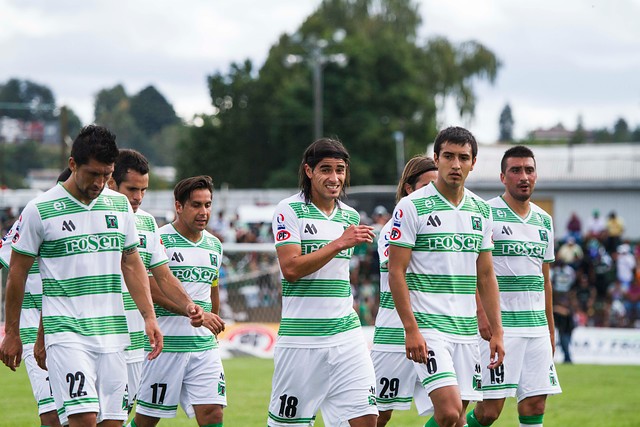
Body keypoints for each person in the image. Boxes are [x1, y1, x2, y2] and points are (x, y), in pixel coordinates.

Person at [0, 125, 163, 427]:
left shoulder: (119, 205)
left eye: (107, 175)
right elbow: (17, 274)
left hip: (113, 334)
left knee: (112, 423)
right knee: (83, 419)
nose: (100, 183)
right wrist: (12, 332)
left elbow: (131, 261)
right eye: (93, 174)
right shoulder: (41, 210)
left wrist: (149, 317)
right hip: (66, 333)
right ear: (73, 164)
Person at [387, 126, 505, 427]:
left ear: (473, 162)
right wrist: (411, 329)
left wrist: (498, 331)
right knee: (451, 411)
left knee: (453, 418)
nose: (456, 164)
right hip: (429, 328)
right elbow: (396, 271)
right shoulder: (411, 206)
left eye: (463, 157)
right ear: (436, 158)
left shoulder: (481, 210)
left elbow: (486, 275)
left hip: (466, 331)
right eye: (448, 156)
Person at [266, 138, 378, 427]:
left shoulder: (350, 216)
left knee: (366, 419)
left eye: (340, 170)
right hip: (302, 339)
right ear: (308, 171)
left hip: (346, 335)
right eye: (325, 169)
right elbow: (290, 268)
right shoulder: (289, 210)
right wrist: (339, 243)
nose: (334, 177)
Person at [467, 145, 562, 427]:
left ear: (536, 176)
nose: (524, 176)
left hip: (536, 329)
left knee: (535, 403)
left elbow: (544, 280)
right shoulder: (486, 213)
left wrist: (550, 329)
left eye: (529, 170)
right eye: (516, 170)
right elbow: (472, 269)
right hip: (501, 327)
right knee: (489, 411)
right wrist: (482, 315)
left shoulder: (545, 221)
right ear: (503, 177)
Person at [107, 149, 206, 415]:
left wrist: (189, 306)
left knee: (118, 417)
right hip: (94, 334)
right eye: (132, 189)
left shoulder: (147, 223)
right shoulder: (88, 216)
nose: (138, 197)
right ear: (111, 182)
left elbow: (162, 274)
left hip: (134, 341)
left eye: (144, 190)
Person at [129, 175, 226, 427]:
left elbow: (211, 288)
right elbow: (148, 286)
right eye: (196, 205)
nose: (203, 211)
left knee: (213, 413)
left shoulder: (215, 245)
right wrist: (194, 313)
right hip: (164, 347)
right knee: (146, 421)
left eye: (207, 204)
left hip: (203, 349)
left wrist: (210, 321)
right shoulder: (159, 238)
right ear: (179, 206)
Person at [370, 155, 438, 426]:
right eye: (426, 186)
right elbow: (400, 270)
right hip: (394, 334)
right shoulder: (393, 228)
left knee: (451, 412)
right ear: (409, 189)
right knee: (379, 415)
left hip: (436, 329)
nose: (433, 193)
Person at [0, 168, 71, 427]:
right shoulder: (36, 214)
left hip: (85, 330)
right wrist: (12, 332)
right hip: (34, 329)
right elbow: (6, 260)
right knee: (53, 416)